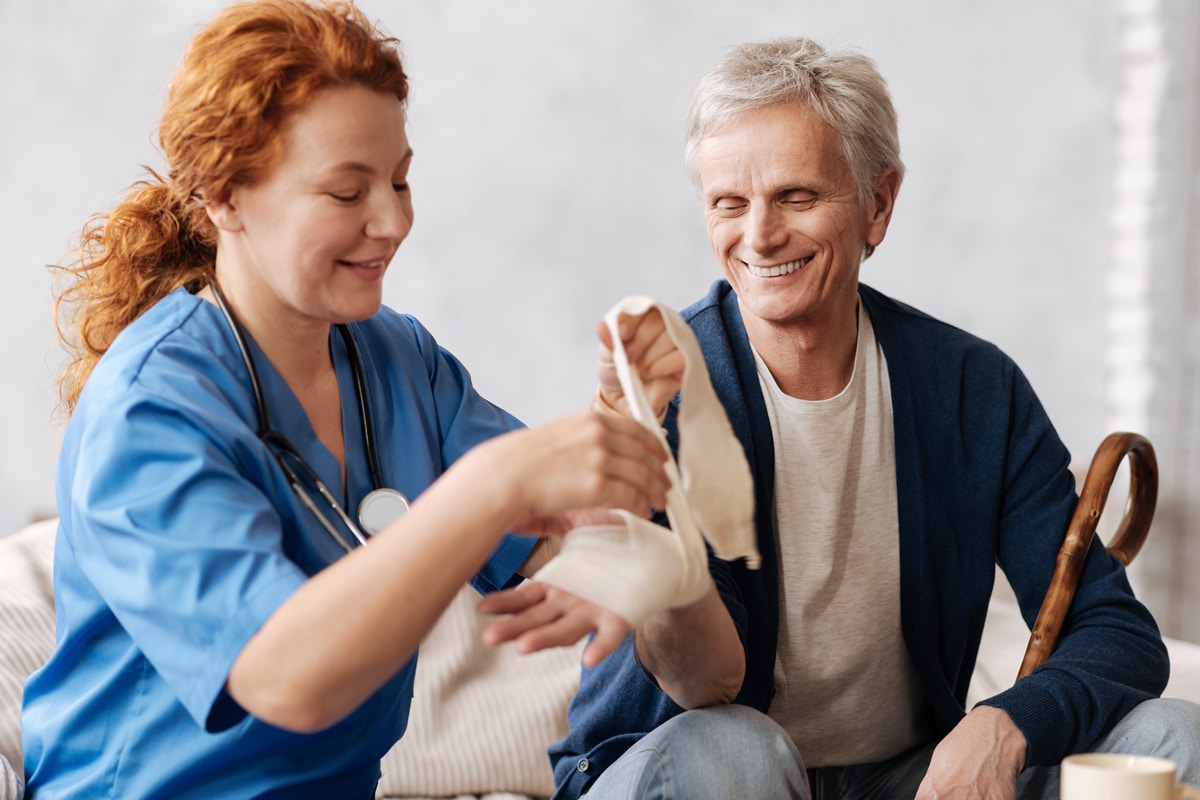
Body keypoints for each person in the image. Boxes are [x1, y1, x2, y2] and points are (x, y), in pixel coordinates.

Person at [19, 2, 672, 798]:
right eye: (345, 192)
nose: (393, 220)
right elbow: (287, 678)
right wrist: (493, 483)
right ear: (224, 196)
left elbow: (560, 532)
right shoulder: (147, 411)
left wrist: (619, 420)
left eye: (399, 179)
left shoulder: (397, 360)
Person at [531, 37, 1200, 800]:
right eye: (729, 203)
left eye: (797, 197)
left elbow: (1116, 632)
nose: (758, 236)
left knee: (1175, 737)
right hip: (675, 761)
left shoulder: (970, 389)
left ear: (878, 204)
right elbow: (702, 684)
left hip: (899, 779)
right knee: (738, 750)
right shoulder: (667, 391)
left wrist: (1003, 724)